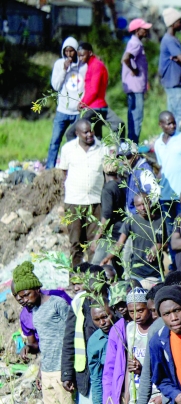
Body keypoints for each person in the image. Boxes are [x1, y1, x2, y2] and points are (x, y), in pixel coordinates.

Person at [15, 262, 74, 404]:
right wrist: (31, 350)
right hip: (47, 368)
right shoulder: (35, 312)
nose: (24, 300)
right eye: (19, 298)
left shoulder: (57, 303)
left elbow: (72, 334)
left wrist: (69, 369)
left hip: (61, 367)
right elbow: (44, 344)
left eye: (26, 295)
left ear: (37, 288)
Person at [57, 119, 109, 267]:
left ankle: (94, 278)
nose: (89, 134)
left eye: (91, 131)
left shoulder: (102, 148)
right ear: (77, 133)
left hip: (95, 202)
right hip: (74, 202)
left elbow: (107, 174)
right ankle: (76, 278)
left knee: (95, 242)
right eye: (85, 132)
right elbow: (64, 172)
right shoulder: (68, 149)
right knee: (75, 242)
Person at [60, 265, 100, 404]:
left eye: (79, 282)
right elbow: (69, 339)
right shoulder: (78, 304)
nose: (76, 287)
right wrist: (67, 372)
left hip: (106, 370)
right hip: (85, 372)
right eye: (73, 284)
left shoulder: (108, 301)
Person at [107, 195, 167, 285]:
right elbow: (120, 243)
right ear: (135, 206)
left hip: (156, 272)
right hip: (137, 273)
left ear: (150, 203)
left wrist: (158, 246)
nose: (142, 208)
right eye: (138, 205)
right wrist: (108, 257)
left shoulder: (160, 220)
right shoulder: (131, 221)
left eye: (145, 204)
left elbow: (166, 244)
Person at [152, 111, 181, 224]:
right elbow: (163, 166)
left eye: (174, 123)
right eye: (169, 124)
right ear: (160, 125)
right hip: (166, 195)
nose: (172, 126)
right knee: (170, 230)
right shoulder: (158, 144)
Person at [47, 37, 86, 169]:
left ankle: (75, 167)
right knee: (55, 141)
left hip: (77, 112)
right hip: (62, 110)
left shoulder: (82, 66)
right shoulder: (59, 64)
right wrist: (64, 70)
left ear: (76, 51)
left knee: (76, 142)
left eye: (71, 51)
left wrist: (83, 102)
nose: (69, 54)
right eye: (66, 51)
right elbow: (55, 86)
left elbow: (86, 87)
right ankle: (49, 168)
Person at [122, 18, 151, 143]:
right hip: (135, 86)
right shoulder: (135, 44)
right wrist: (133, 69)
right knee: (136, 116)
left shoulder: (135, 42)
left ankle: (131, 143)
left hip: (137, 85)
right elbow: (126, 58)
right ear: (137, 31)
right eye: (144, 29)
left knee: (133, 115)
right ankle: (133, 144)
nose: (146, 31)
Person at [159, 8, 181, 130]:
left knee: (172, 116)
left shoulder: (171, 39)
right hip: (175, 84)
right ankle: (176, 142)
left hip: (174, 83)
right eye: (179, 21)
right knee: (178, 116)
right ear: (173, 23)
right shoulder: (170, 40)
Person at [76, 43, 111, 139]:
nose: (80, 58)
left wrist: (82, 103)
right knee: (96, 136)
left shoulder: (96, 65)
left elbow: (93, 90)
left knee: (72, 133)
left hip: (95, 106)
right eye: (79, 56)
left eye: (82, 55)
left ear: (90, 53)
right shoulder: (91, 64)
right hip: (93, 105)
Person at [95, 158, 126, 267]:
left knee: (96, 264)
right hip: (123, 231)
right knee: (119, 266)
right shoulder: (123, 184)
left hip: (111, 234)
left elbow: (106, 216)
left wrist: (96, 239)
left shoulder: (108, 189)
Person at [87, 302, 115, 404]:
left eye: (105, 317)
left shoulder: (126, 331)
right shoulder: (94, 341)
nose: (102, 323)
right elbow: (96, 378)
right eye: (97, 320)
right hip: (109, 399)